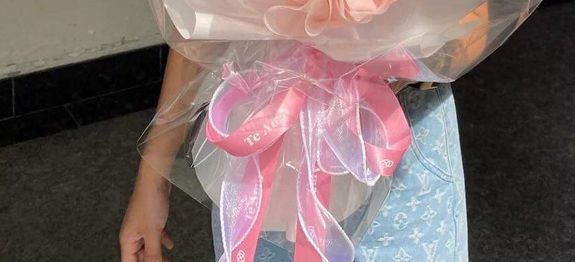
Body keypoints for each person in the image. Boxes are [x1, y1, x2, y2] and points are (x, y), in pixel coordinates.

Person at [119, 49, 468, 262]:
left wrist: (401, 53)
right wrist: (153, 177)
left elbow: (482, 11)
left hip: (394, 139)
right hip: (261, 140)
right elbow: (197, 16)